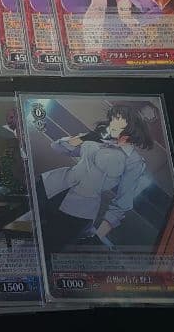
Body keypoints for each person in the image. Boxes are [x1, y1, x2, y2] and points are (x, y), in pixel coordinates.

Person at [36, 104, 155, 251]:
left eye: (118, 119)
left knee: (47, 248)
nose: (112, 123)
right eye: (113, 118)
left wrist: (97, 237)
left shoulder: (134, 161)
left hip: (78, 211)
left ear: (132, 126)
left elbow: (122, 203)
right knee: (20, 229)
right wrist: (85, 137)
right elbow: (57, 147)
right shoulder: (100, 138)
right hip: (49, 185)